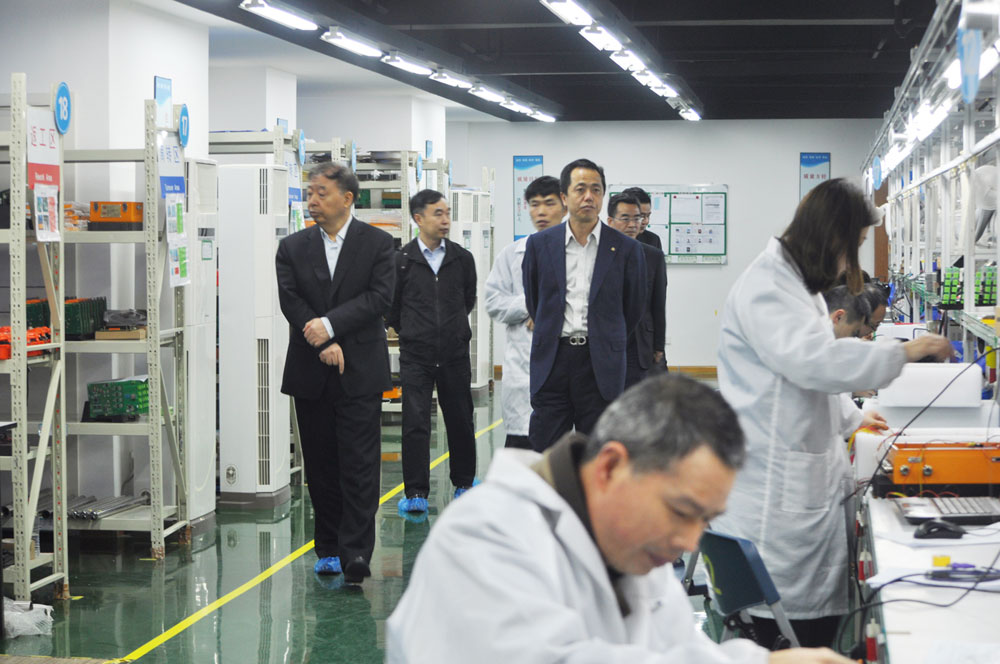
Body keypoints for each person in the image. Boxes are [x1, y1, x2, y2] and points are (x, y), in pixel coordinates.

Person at [386, 374, 856, 664]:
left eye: (705, 520)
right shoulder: (485, 537)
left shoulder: (631, 549)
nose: (690, 541)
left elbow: (678, 650)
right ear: (610, 466)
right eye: (681, 511)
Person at [714, 178, 953, 648]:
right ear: (832, 238)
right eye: (854, 246)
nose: (849, 263)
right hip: (774, 495)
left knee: (813, 632)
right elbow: (813, 362)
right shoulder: (768, 287)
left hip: (793, 475)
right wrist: (904, 352)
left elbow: (797, 376)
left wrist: (852, 417)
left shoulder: (792, 284)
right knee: (791, 640)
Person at [275, 162, 394, 584]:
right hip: (311, 370)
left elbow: (379, 298)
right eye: (310, 192)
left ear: (347, 198)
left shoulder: (379, 244)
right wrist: (322, 341)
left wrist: (331, 326)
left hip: (360, 370)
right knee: (321, 465)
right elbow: (291, 300)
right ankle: (327, 546)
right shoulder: (292, 248)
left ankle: (356, 551)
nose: (312, 200)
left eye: (321, 193)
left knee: (360, 465)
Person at [522, 159, 646, 452]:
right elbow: (535, 301)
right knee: (547, 452)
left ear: (603, 196)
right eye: (580, 189)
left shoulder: (627, 249)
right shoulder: (539, 245)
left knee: (598, 452)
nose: (589, 196)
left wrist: (606, 337)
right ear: (565, 197)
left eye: (596, 189)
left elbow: (633, 309)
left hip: (600, 363)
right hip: (553, 360)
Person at [387, 189, 478, 514]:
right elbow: (392, 308)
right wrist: (414, 332)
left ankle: (464, 483)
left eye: (447, 213)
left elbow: (468, 299)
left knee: (460, 419)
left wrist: (452, 330)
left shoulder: (462, 259)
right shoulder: (401, 261)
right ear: (418, 218)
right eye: (437, 213)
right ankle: (416, 492)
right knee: (415, 423)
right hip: (417, 356)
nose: (445, 220)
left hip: (454, 353)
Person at [486, 175, 566, 449]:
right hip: (523, 370)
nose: (541, 211)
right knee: (520, 448)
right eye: (534, 204)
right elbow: (493, 302)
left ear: (565, 205)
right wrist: (531, 304)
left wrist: (547, 310)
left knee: (559, 453)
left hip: (566, 367)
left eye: (549, 203)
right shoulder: (512, 254)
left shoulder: (578, 254)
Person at [606, 192, 666, 386]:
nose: (633, 224)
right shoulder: (599, 253)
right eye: (625, 219)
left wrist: (659, 346)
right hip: (607, 339)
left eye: (637, 218)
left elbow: (659, 303)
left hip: (640, 342)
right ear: (610, 221)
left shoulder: (653, 256)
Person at [821, 285, 888, 436]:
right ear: (838, 317)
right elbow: (822, 396)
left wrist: (859, 419)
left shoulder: (827, 344)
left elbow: (834, 398)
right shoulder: (812, 347)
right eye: (854, 333)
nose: (856, 340)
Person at [622, 186, 662, 250]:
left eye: (648, 216)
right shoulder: (607, 240)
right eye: (641, 216)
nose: (646, 221)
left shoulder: (653, 240)